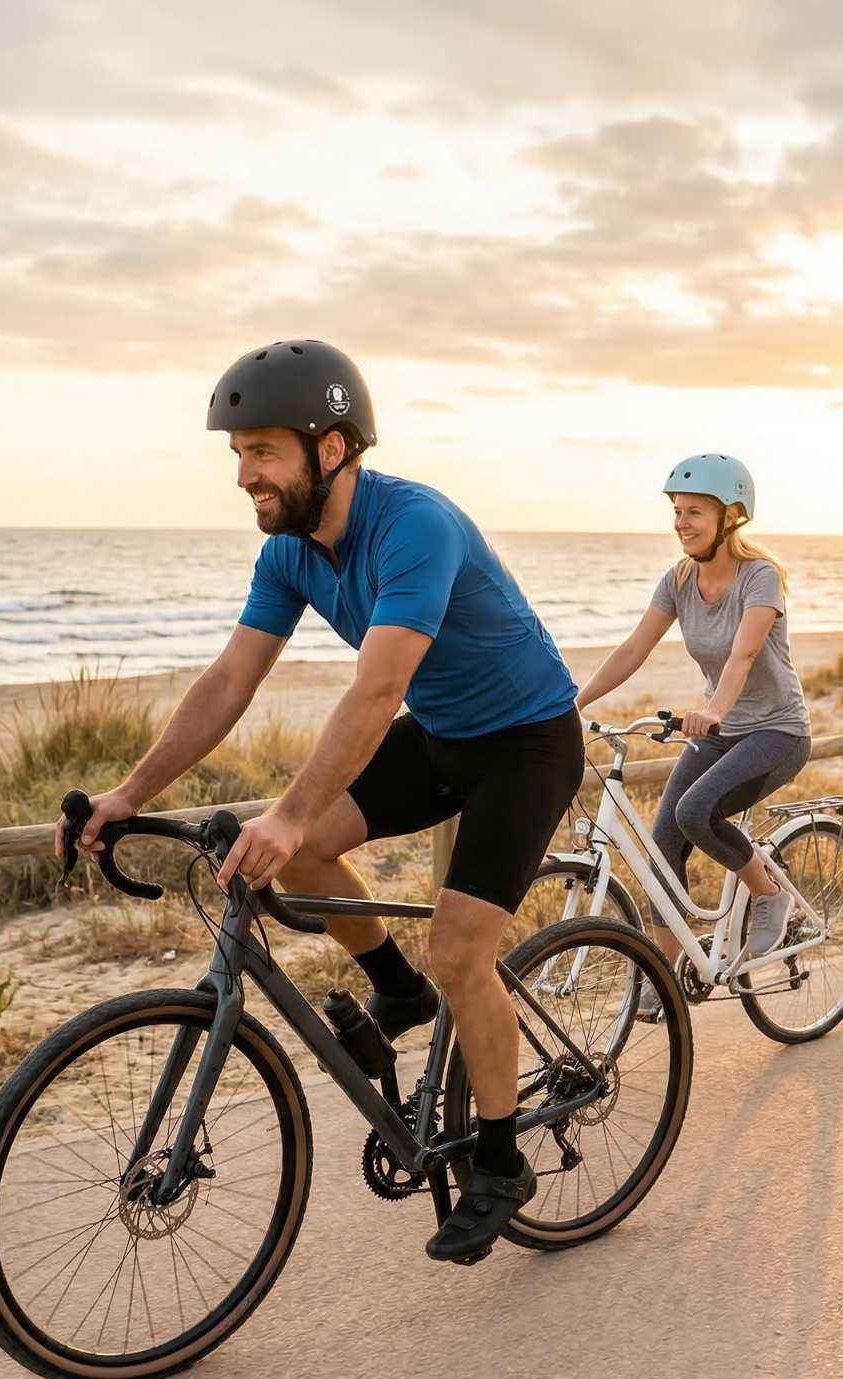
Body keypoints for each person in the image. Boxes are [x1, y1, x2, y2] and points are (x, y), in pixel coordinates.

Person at [58, 339, 584, 1264]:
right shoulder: (292, 552)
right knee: (294, 854)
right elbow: (231, 680)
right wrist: (127, 793)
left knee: (465, 948)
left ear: (332, 448)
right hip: (440, 735)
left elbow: (376, 692)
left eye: (262, 451)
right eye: (236, 455)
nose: (243, 475)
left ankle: (500, 1163)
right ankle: (398, 992)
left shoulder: (416, 525)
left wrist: (292, 808)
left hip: (528, 744)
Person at [574, 455, 812, 1007]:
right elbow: (635, 647)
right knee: (664, 844)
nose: (681, 522)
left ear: (731, 516)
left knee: (695, 811)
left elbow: (744, 653)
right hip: (721, 731)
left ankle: (767, 894)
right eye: (677, 512)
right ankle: (664, 975)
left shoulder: (761, 576)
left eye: (695, 512)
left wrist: (716, 710)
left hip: (776, 732)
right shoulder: (678, 579)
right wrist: (574, 701)